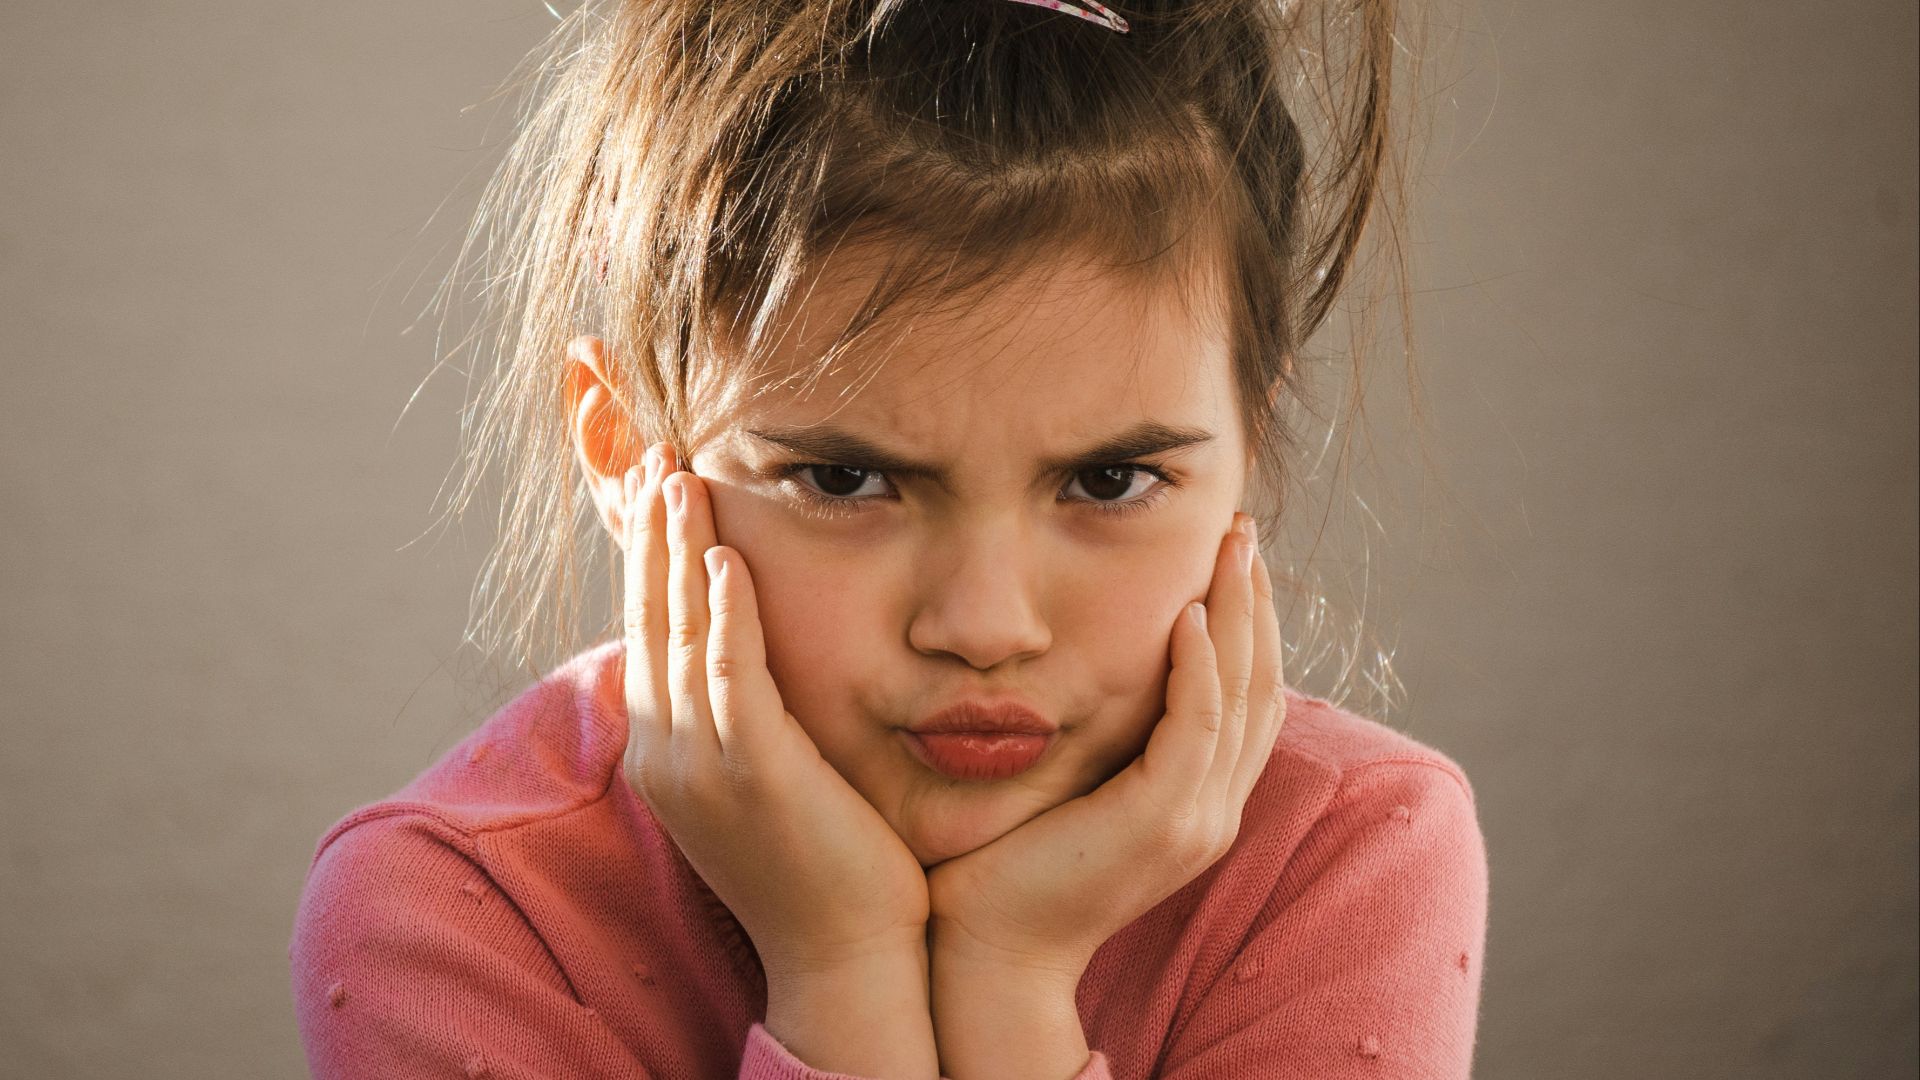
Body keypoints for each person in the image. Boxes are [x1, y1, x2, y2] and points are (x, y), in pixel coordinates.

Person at [290, 1, 1488, 1076]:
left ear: (1251, 437)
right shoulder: (452, 916)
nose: (985, 626)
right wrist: (840, 967)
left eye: (1110, 479)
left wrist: (1013, 974)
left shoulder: (1347, 853)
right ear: (625, 454)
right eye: (846, 478)